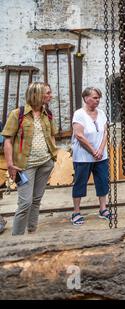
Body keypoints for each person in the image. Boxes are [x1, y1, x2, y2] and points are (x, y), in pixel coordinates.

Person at [1, 82, 57, 235]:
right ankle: (16, 240)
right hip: (24, 166)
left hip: (45, 164)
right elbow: (7, 141)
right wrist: (10, 165)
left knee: (37, 199)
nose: (51, 96)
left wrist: (54, 157)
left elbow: (52, 135)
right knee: (25, 203)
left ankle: (32, 230)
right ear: (37, 94)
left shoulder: (48, 114)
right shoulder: (17, 114)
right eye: (48, 93)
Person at [70, 87, 110, 225]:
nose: (97, 100)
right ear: (86, 98)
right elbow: (79, 135)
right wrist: (93, 151)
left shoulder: (102, 113)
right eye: (94, 97)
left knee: (102, 181)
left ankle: (103, 209)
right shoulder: (79, 114)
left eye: (98, 97)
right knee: (80, 182)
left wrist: (100, 150)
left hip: (101, 156)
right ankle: (76, 212)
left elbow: (105, 133)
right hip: (83, 157)